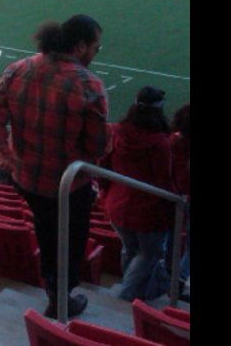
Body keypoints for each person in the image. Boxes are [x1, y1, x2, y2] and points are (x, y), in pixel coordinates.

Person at [0, 14, 108, 319]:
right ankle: (60, 297)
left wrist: (3, 150)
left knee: (46, 229)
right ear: (81, 46)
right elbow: (97, 146)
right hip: (68, 185)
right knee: (69, 240)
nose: (96, 53)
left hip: (27, 179)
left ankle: (54, 291)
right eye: (96, 47)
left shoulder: (19, 68)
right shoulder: (88, 84)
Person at [99, 86, 173, 302]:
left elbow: (104, 165)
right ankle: (127, 295)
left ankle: (136, 290)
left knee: (131, 249)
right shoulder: (160, 143)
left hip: (116, 203)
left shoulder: (116, 131)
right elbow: (163, 181)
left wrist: (105, 194)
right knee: (150, 253)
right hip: (145, 210)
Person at [167, 103, 190, 301]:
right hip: (180, 197)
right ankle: (178, 281)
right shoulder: (177, 145)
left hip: (172, 198)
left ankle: (173, 277)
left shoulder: (171, 141)